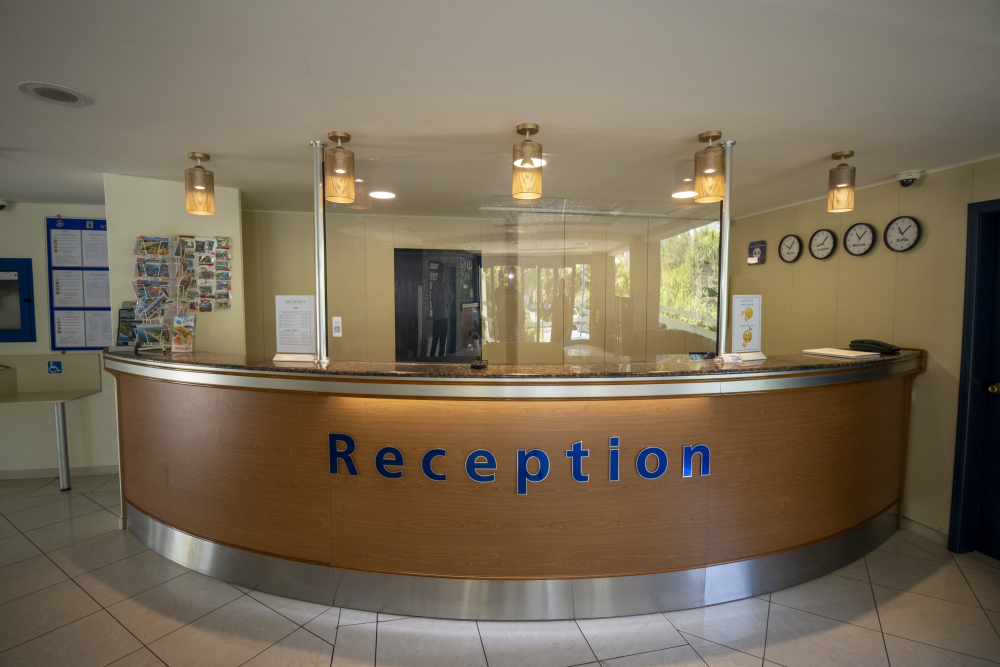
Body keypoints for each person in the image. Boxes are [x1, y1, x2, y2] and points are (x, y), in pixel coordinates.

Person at [430, 275, 454, 356]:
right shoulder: (435, 286)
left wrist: (448, 305)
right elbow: (433, 302)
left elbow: (452, 296)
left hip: (444, 318)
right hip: (436, 318)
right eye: (440, 272)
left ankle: (441, 360)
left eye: (442, 272)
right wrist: (440, 294)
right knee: (434, 342)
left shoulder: (445, 286)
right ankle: (431, 361)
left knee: (442, 343)